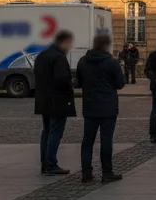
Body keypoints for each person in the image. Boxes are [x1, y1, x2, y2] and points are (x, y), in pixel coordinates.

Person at [76, 33, 126, 183]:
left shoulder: (83, 61)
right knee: (106, 140)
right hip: (107, 107)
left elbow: (79, 82)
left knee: (87, 140)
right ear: (106, 45)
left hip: (90, 105)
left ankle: (86, 173)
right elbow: (120, 84)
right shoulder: (111, 62)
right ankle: (107, 172)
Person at [33, 30, 76, 176]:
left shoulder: (42, 55)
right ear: (63, 42)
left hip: (43, 100)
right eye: (69, 43)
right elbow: (62, 80)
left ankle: (45, 164)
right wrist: (70, 87)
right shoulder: (58, 57)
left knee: (46, 132)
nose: (70, 46)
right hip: (57, 101)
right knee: (55, 133)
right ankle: (51, 164)